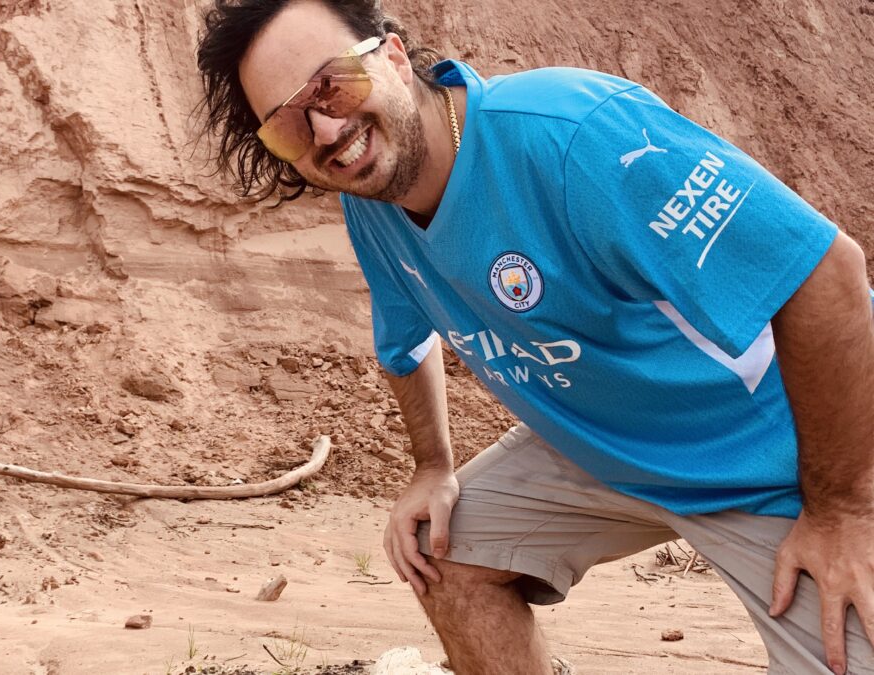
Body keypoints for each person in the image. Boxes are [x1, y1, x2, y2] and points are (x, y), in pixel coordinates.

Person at [195, 1, 874, 673]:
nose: (324, 127)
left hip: (777, 463)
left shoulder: (573, 136)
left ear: (395, 57)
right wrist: (432, 466)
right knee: (441, 554)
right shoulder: (374, 203)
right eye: (287, 125)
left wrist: (842, 508)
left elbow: (827, 276)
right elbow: (403, 341)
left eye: (331, 84)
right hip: (606, 439)